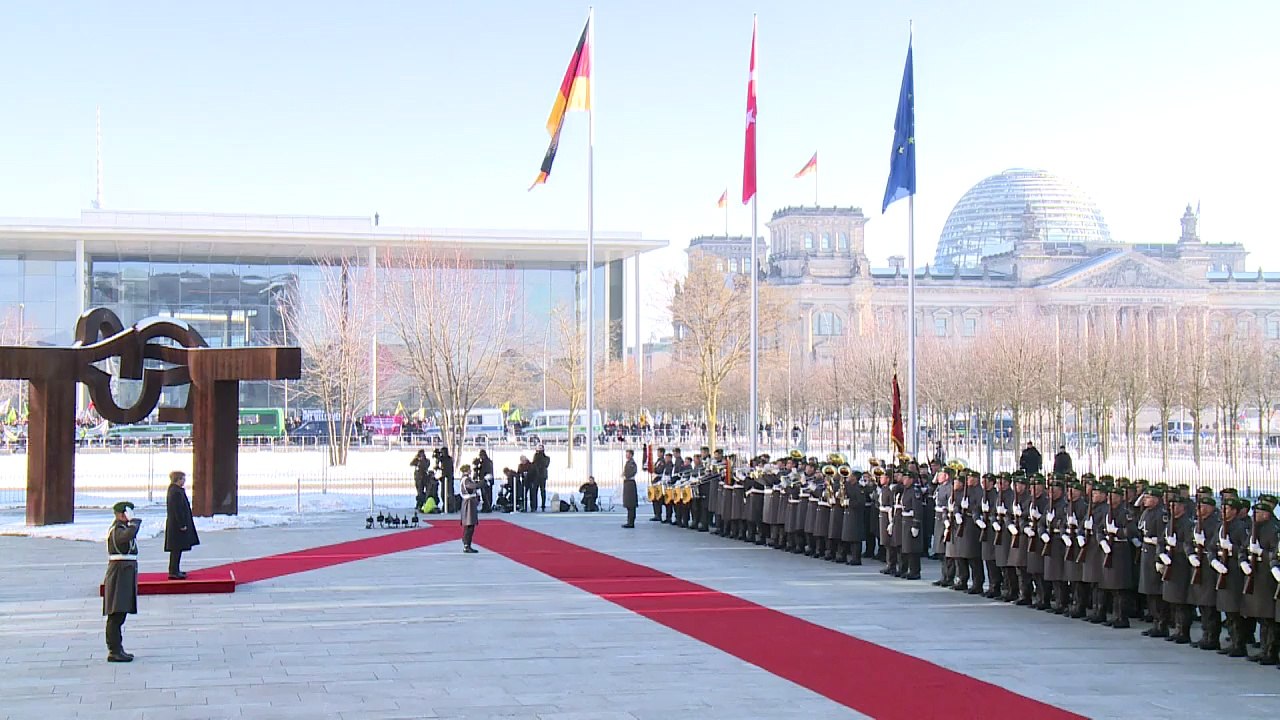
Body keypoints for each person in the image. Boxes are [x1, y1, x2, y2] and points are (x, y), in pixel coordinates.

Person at [104, 501, 142, 662]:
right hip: (119, 573)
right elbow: (127, 536)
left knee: (121, 613)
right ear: (121, 514)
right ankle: (114, 650)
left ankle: (118, 648)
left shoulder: (122, 528)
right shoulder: (117, 530)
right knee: (116, 613)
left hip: (124, 572)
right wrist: (133, 522)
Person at [164, 470, 199, 580]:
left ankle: (175, 569)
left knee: (177, 549)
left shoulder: (175, 490)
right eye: (183, 479)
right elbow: (177, 510)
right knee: (176, 549)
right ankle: (173, 571)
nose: (184, 481)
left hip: (176, 524)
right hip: (176, 525)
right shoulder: (175, 492)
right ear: (178, 479)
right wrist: (182, 524)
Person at [459, 465, 480, 553]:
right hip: (469, 503)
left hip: (469, 502)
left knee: (469, 524)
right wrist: (483, 482)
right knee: (469, 524)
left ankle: (467, 543)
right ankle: (467, 545)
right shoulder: (466, 479)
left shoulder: (465, 479)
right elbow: (472, 486)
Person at [621, 448, 638, 528]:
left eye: (628, 454)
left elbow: (632, 472)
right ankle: (629, 521)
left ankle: (631, 522)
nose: (626, 455)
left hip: (630, 483)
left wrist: (625, 474)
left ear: (631, 455)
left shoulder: (632, 463)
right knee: (628, 504)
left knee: (631, 504)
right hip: (627, 483)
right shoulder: (628, 462)